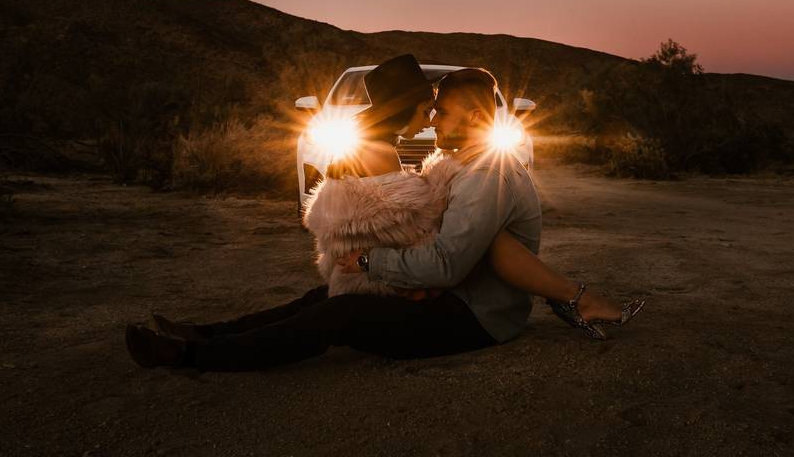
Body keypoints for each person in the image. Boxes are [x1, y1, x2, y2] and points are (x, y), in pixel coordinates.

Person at [125, 55, 643, 370]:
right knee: (322, 294)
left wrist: (372, 262)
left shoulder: (491, 174)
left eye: (443, 109)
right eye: (431, 107)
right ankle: (205, 333)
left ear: (479, 116)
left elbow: (447, 265)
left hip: (473, 318)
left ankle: (192, 357)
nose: (433, 118)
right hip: (447, 298)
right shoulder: (460, 164)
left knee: (340, 313)